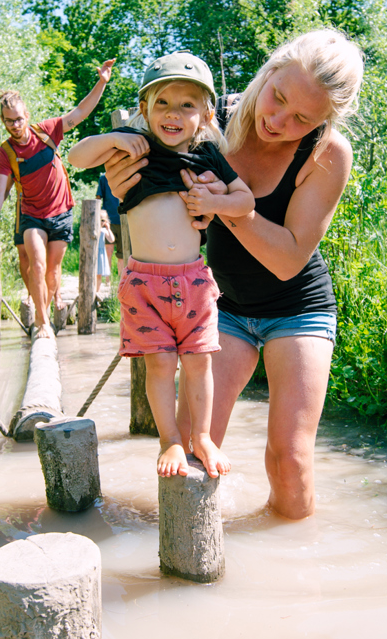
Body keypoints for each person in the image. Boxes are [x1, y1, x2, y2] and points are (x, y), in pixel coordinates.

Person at [103, 30, 364, 518]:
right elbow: (141, 168)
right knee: (189, 447)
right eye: (277, 97)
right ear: (268, 71)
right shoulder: (207, 116)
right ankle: (188, 573)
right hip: (217, 306)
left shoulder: (329, 153)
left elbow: (287, 259)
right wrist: (126, 184)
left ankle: (292, 572)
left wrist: (225, 206)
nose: (277, 120)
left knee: (289, 459)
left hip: (297, 307)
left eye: (302, 118)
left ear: (325, 119)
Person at [67, 52, 255, 478]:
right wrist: (115, 139)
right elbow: (77, 155)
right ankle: (169, 440)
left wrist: (215, 201)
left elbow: (245, 200)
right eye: (162, 103)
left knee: (199, 363)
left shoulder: (208, 157)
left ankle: (202, 437)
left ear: (206, 114)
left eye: (187, 104)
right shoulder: (135, 150)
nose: (173, 113)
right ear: (144, 110)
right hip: (144, 283)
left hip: (193, 280)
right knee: (159, 366)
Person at [0, 60, 115, 338]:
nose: (15, 125)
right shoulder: (5, 153)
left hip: (61, 211)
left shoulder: (48, 130)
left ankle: (48, 309)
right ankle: (42, 323)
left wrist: (101, 82)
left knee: (53, 272)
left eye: (18, 119)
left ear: (26, 115)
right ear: (2, 121)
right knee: (36, 264)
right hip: (31, 214)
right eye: (9, 121)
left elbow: (80, 112)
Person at [96, 173, 123, 271]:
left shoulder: (125, 175)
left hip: (123, 220)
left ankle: (120, 281)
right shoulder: (104, 178)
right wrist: (98, 218)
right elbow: (98, 198)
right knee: (108, 251)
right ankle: (108, 281)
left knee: (122, 255)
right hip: (108, 220)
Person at [97, 209, 115, 292]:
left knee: (99, 275)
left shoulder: (104, 230)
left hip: (100, 254)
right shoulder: (93, 230)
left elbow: (111, 239)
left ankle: (96, 291)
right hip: (94, 254)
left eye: (103, 220)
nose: (101, 222)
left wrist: (108, 229)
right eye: (99, 219)